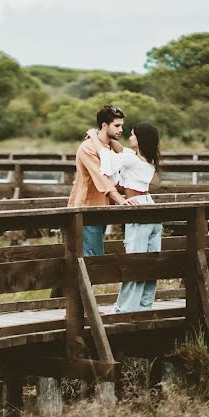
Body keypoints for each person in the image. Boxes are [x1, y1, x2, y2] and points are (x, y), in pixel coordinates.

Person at [52, 105, 131, 298]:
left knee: (88, 258)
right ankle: (81, 309)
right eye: (117, 125)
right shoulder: (88, 148)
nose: (121, 130)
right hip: (85, 210)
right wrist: (122, 201)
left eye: (122, 125)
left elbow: (126, 161)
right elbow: (101, 178)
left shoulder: (107, 146)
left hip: (100, 209)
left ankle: (65, 302)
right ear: (105, 125)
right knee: (91, 259)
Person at [86, 122, 162, 312]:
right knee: (151, 261)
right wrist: (109, 136)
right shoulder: (147, 159)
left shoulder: (132, 161)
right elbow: (122, 150)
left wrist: (94, 136)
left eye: (133, 135)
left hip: (138, 208)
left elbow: (107, 158)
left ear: (140, 139)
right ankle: (145, 306)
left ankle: (125, 309)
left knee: (134, 262)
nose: (129, 137)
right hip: (151, 206)